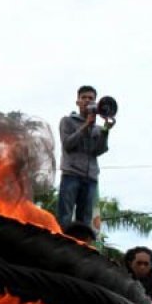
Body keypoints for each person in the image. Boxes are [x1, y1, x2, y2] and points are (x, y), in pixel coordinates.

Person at [56, 85, 114, 228]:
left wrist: (105, 131)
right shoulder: (67, 121)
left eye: (91, 98)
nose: (87, 101)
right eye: (84, 98)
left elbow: (99, 150)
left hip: (91, 179)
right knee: (65, 217)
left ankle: (80, 248)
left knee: (85, 222)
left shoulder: (97, 128)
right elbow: (68, 144)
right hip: (71, 175)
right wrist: (86, 125)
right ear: (77, 101)